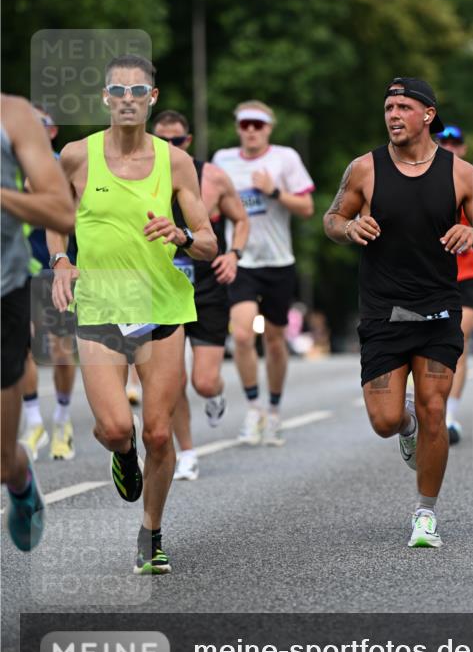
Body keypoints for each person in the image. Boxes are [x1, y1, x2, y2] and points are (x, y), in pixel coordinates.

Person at [49, 56, 217, 574]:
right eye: (118, 90)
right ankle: (121, 454)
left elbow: (208, 242)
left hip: (161, 306)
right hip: (100, 307)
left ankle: (151, 532)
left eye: (138, 90)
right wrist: (60, 261)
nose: (127, 98)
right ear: (105, 97)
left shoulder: (176, 162)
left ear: (152, 97)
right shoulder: (76, 156)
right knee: (117, 427)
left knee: (159, 433)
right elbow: (54, 215)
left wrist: (181, 234)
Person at [323, 77, 473, 549]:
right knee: (384, 420)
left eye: (403, 107)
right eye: (388, 107)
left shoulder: (462, 174)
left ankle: (425, 514)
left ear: (428, 115)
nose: (393, 115)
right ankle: (406, 425)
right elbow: (331, 218)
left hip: (438, 309)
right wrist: (349, 228)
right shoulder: (364, 169)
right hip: (383, 311)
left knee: (435, 408)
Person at [151, 110, 248, 481]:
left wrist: (233, 254)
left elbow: (241, 219)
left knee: (203, 382)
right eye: (162, 141)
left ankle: (216, 393)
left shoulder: (212, 177)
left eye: (176, 141)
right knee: (172, 380)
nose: (169, 147)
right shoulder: (139, 177)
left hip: (207, 288)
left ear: (187, 142)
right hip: (163, 289)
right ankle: (187, 452)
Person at [212, 101, 315, 447]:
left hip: (278, 261)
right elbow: (211, 203)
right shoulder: (223, 160)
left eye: (258, 124)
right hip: (240, 261)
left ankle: (273, 410)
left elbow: (307, 207)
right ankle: (254, 408)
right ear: (238, 128)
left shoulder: (285, 158)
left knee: (274, 339)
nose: (252, 130)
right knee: (242, 335)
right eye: (246, 125)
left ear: (269, 127)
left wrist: (273, 191)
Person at [1, 94, 75, 551]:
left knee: (1, 460)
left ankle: (20, 474)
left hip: (10, 285)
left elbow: (62, 213)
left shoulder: (13, 117)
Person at [19, 107, 79, 461]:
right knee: (20, 347)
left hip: (55, 269)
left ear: (52, 131)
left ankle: (62, 419)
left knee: (60, 350)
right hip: (17, 272)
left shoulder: (66, 164)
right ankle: (33, 422)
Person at [433, 124, 473, 444]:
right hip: (429, 279)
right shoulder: (419, 179)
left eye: (455, 143)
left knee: (458, 342)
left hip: (465, 276)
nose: (449, 147)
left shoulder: (471, 181)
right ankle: (427, 409)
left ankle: (449, 418)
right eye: (443, 142)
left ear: (463, 149)